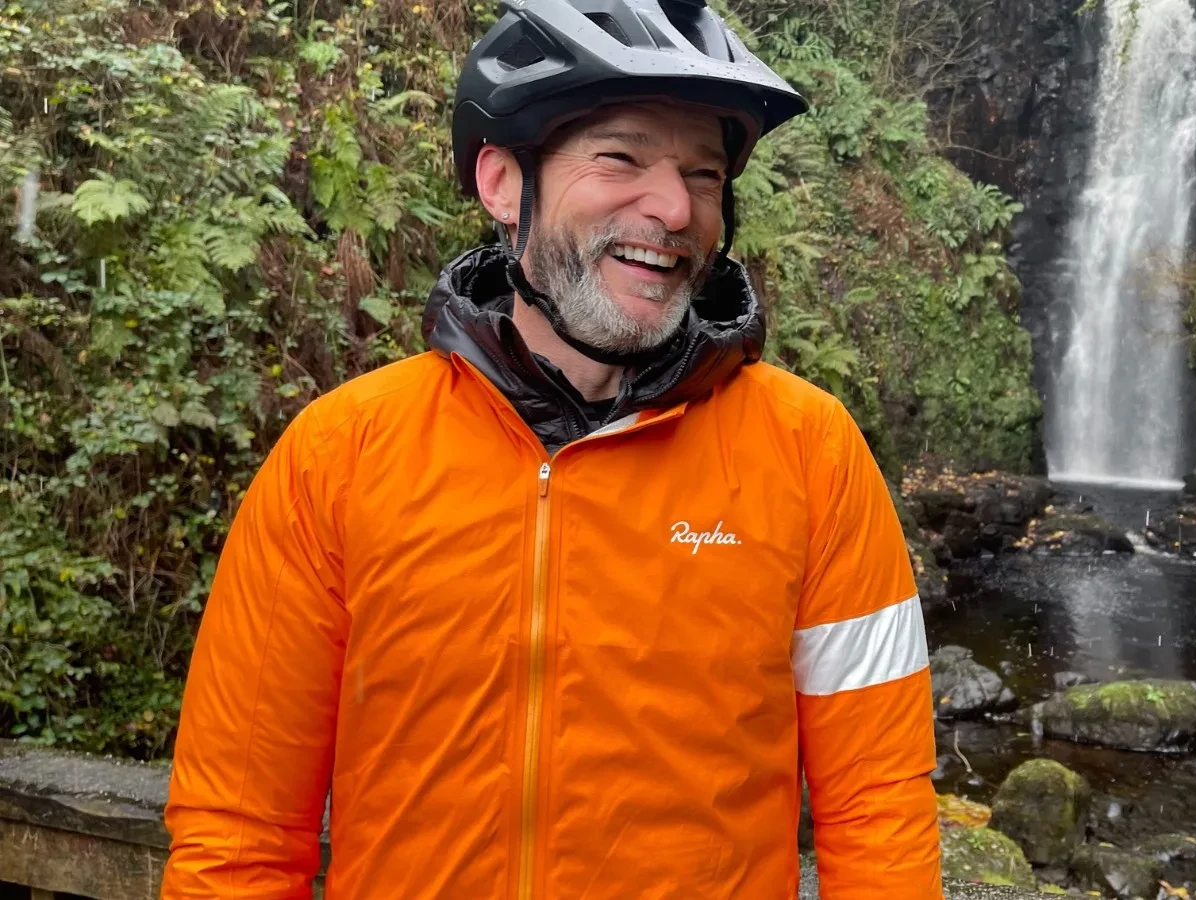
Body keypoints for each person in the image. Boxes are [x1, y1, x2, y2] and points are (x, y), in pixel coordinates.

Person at [160, 0, 943, 895]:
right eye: (621, 156)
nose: (675, 207)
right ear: (502, 181)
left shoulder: (810, 452)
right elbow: (239, 825)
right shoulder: (339, 455)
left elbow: (878, 807)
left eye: (704, 173)